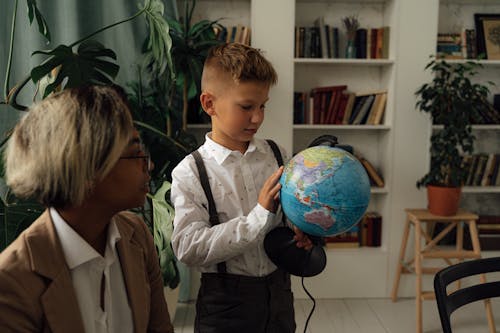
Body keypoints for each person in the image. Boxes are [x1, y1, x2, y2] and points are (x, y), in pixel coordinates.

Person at [0, 85, 174, 333]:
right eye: (135, 153)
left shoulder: (136, 235)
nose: (150, 164)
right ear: (88, 168)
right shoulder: (13, 281)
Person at [170, 43, 311, 333]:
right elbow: (187, 248)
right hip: (224, 309)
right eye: (246, 107)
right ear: (209, 104)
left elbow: (289, 217)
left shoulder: (278, 155)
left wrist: (301, 231)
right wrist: (258, 216)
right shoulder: (190, 171)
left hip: (280, 295)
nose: (258, 117)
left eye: (262, 106)